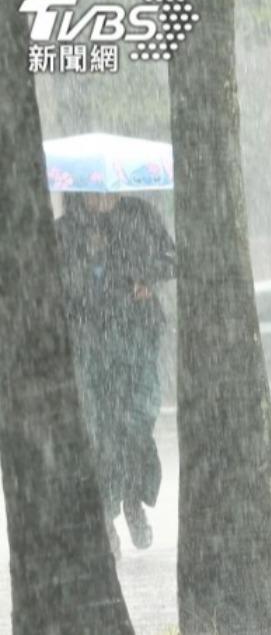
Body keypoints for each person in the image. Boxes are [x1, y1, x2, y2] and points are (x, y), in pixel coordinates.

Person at [57, 192, 175, 558]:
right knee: (101, 430)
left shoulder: (139, 215)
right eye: (91, 191)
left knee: (137, 420)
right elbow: (58, 285)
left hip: (138, 336)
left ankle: (133, 495)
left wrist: (146, 278)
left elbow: (170, 259)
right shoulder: (64, 231)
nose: (99, 197)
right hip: (90, 343)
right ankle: (105, 514)